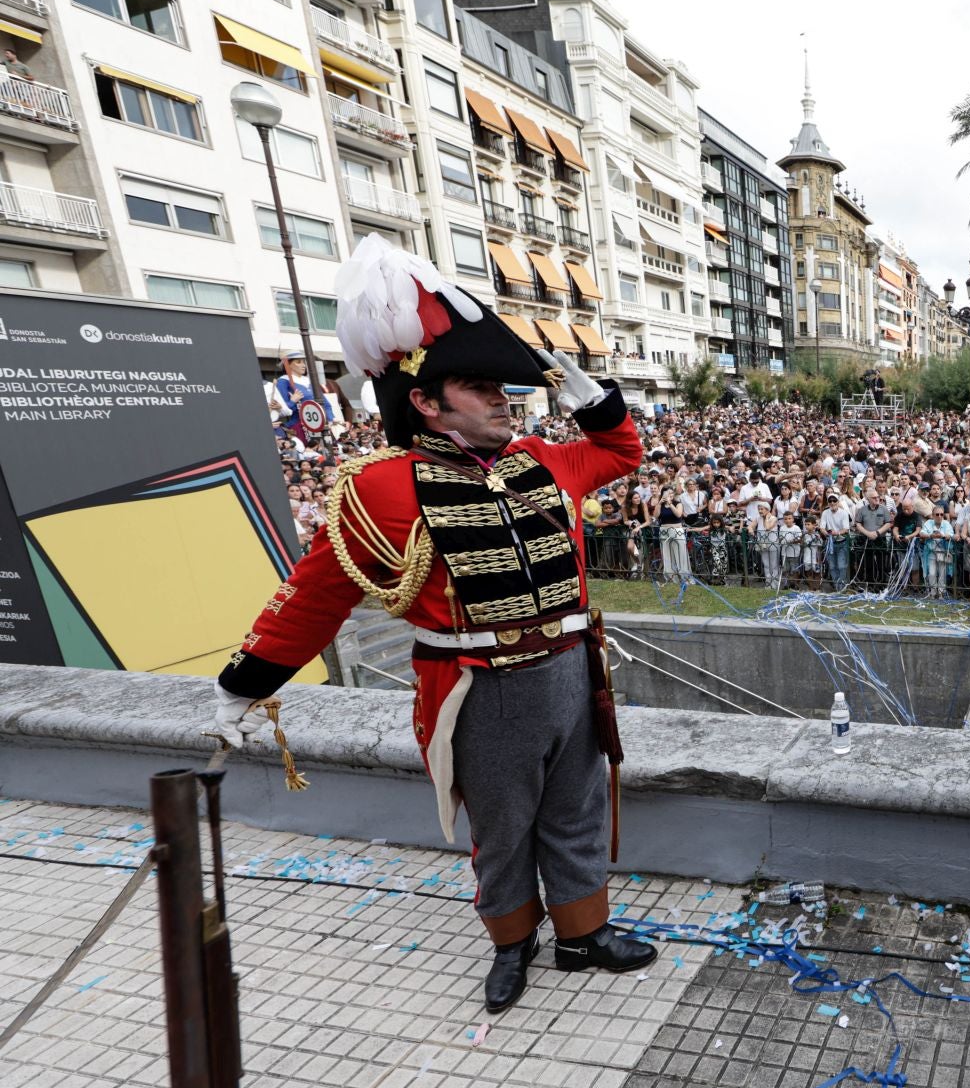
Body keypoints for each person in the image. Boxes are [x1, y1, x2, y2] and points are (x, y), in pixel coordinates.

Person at [210, 235, 656, 1014]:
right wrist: (242, 686)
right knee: (503, 827)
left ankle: (583, 936)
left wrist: (593, 396)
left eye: (501, 387)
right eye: (482, 387)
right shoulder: (377, 489)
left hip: (568, 673)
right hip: (476, 689)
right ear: (425, 400)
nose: (505, 399)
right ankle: (513, 944)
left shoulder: (542, 459)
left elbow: (620, 451)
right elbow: (315, 596)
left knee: (576, 809)